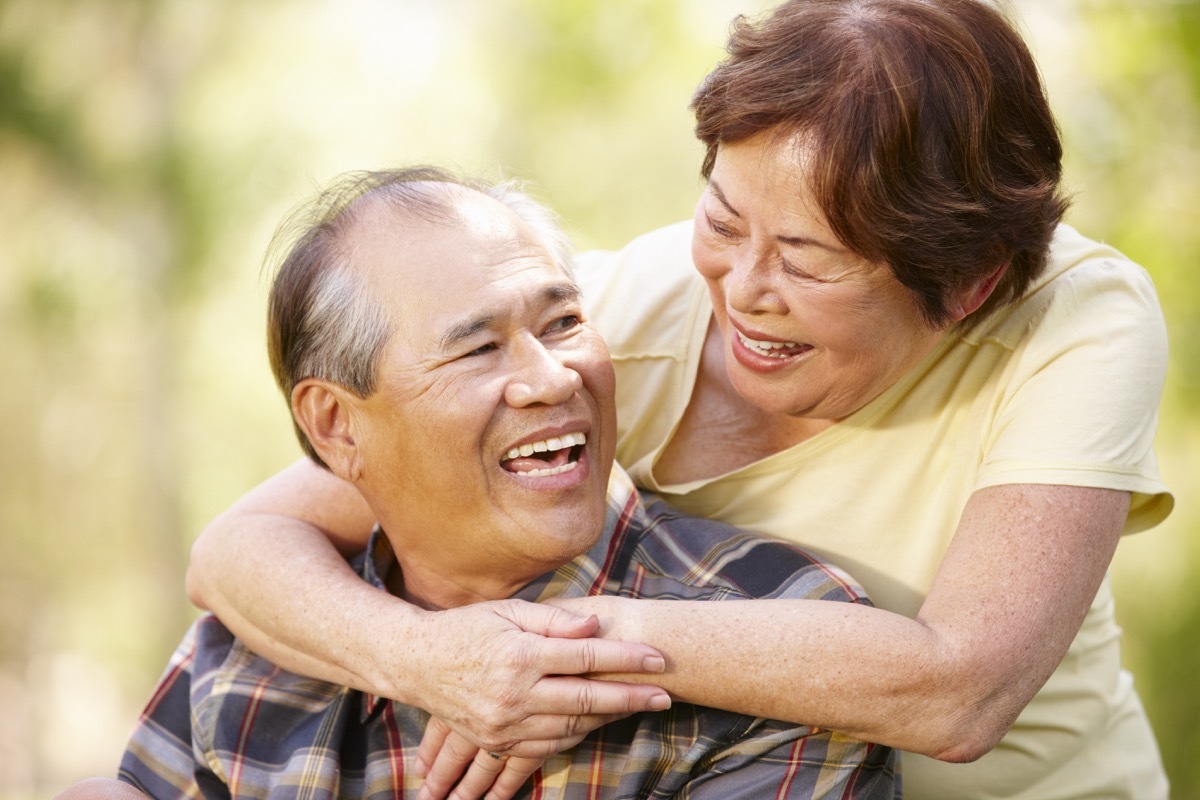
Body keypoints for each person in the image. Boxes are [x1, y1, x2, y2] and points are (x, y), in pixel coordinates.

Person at [185, 1, 1175, 798]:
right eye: (723, 217)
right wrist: (430, 657)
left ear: (968, 283)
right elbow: (236, 550)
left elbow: (962, 688)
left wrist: (549, 653)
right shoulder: (601, 326)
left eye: (808, 258)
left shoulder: (1075, 319)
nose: (743, 287)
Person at [68, 167, 897, 800]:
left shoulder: (789, 650)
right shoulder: (255, 647)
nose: (552, 377)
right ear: (336, 426)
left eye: (564, 323)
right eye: (477, 349)